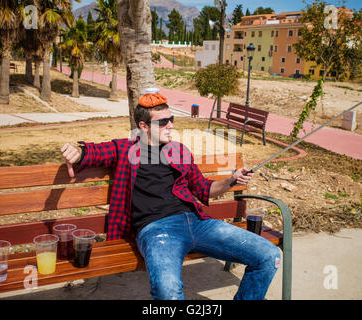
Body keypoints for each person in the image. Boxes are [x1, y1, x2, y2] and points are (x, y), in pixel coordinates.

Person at [60, 89, 281, 300]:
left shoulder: (179, 151)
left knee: (269, 256)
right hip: (156, 231)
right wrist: (77, 152)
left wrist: (231, 180)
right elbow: (93, 152)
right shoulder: (125, 149)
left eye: (171, 119)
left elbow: (204, 188)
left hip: (197, 222)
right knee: (167, 292)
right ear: (144, 126)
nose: (171, 125)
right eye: (163, 122)